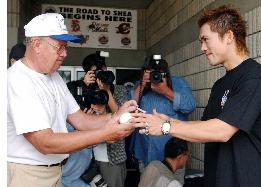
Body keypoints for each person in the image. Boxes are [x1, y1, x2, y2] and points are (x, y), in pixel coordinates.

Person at [132, 4, 261, 187]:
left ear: (229, 36)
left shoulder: (255, 77)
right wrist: (170, 121)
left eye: (206, 40)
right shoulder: (220, 85)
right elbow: (205, 127)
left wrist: (166, 127)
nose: (202, 47)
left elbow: (222, 131)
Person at [7, 13, 138, 187]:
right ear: (37, 44)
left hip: (56, 172)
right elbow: (45, 143)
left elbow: (81, 120)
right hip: (28, 175)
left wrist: (116, 116)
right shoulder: (18, 80)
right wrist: (106, 133)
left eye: (66, 47)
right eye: (59, 47)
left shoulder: (55, 77)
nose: (65, 53)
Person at [128, 55, 196, 183]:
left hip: (172, 156)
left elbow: (190, 106)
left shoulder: (178, 83)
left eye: (157, 72)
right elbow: (129, 109)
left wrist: (166, 91)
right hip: (145, 151)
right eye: (150, 72)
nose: (155, 75)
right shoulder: (140, 86)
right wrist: (142, 84)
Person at [65, 52, 129, 187]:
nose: (100, 74)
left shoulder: (119, 90)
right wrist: (83, 84)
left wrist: (107, 92)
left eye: (102, 70)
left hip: (111, 158)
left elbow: (123, 116)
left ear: (106, 69)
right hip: (86, 158)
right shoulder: (81, 88)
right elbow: (68, 112)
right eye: (95, 72)